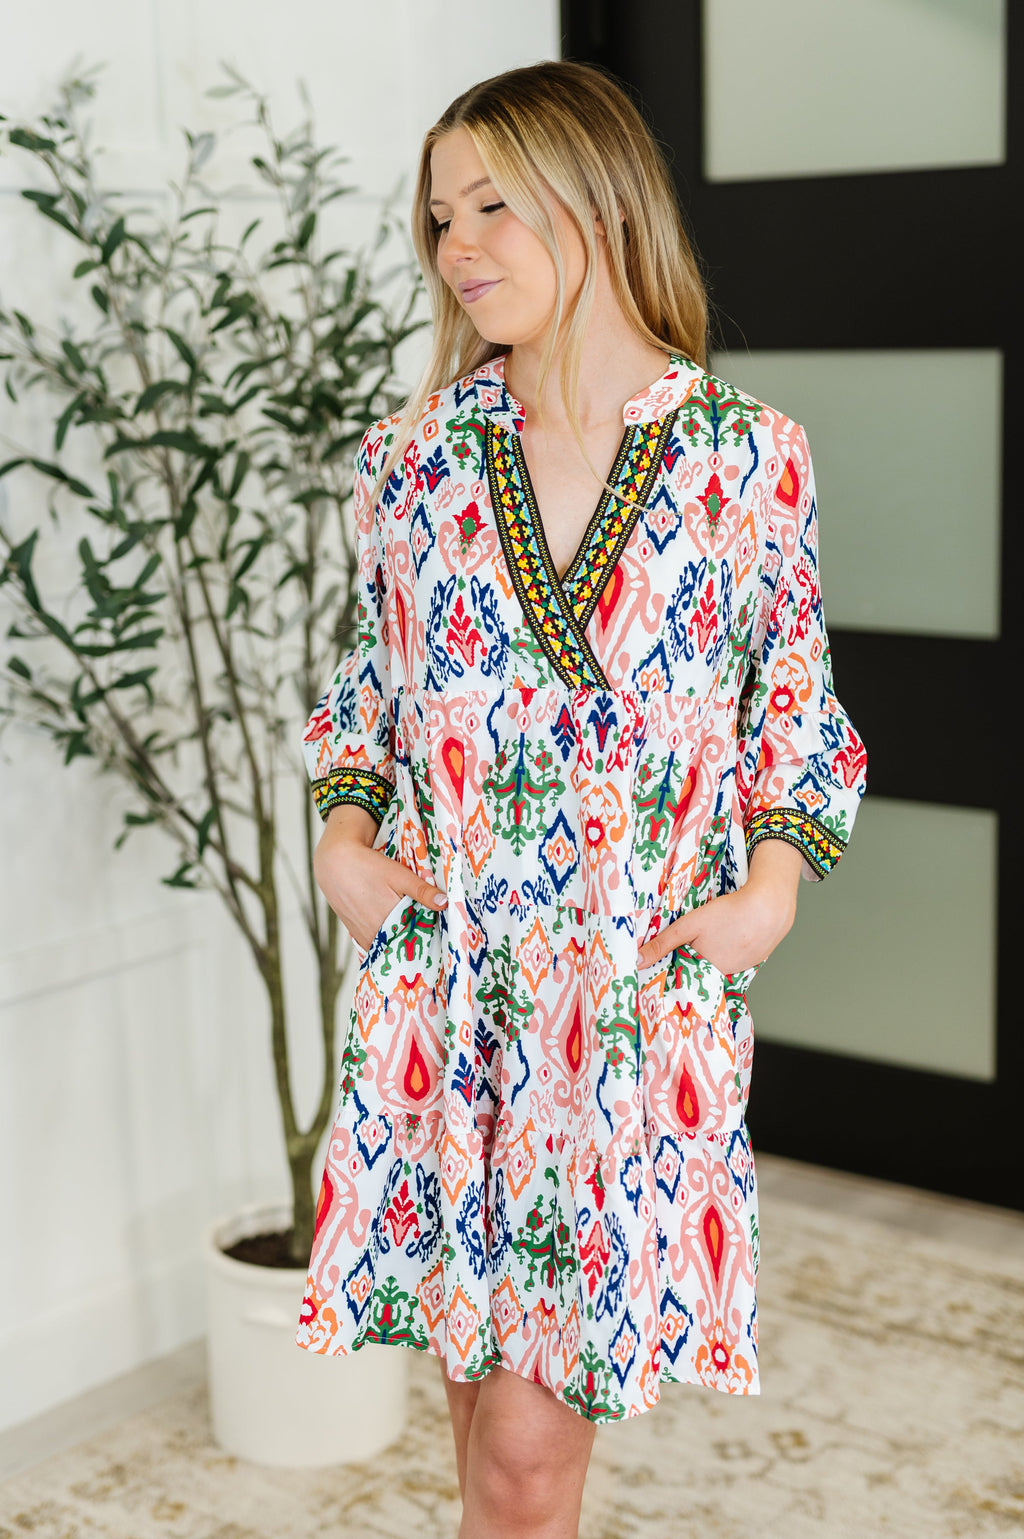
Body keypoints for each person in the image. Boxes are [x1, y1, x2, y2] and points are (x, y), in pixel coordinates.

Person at [294, 58, 867, 1539]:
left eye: (493, 205)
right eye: (439, 217)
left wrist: (767, 898)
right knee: (485, 1450)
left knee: (526, 1466)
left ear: (598, 201)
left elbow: (794, 714)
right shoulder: (413, 463)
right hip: (446, 999)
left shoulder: (745, 458)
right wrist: (342, 846)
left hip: (620, 1016)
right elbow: (369, 694)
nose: (458, 246)